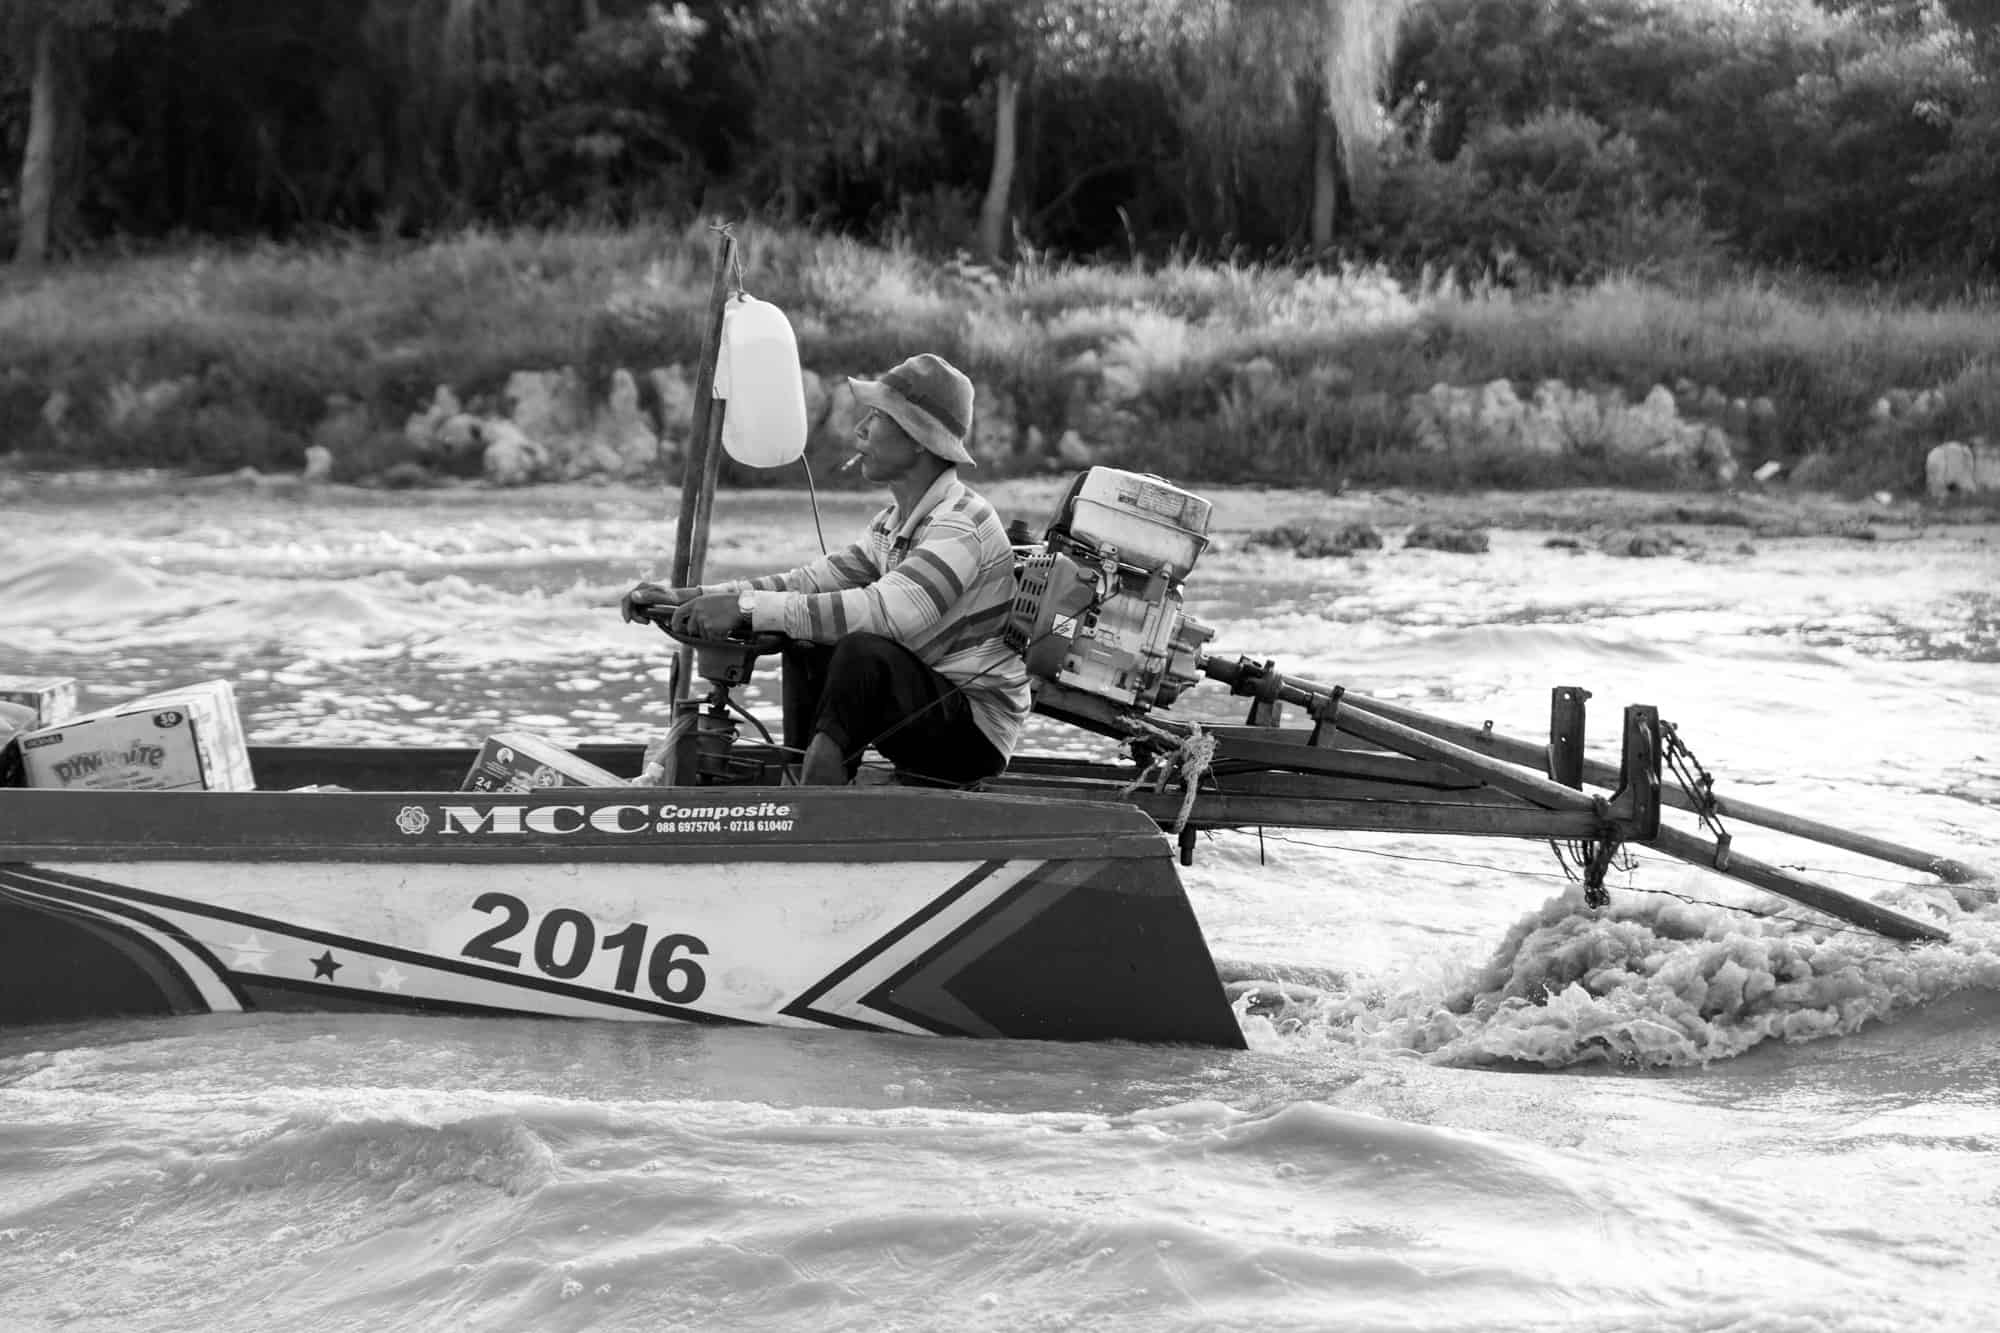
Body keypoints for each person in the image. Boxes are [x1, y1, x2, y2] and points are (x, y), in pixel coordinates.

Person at [621, 352, 1029, 787]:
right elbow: (808, 583)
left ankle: (813, 803)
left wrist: (746, 608)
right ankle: (805, 778)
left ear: (917, 438)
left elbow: (888, 615)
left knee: (861, 653)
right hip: (923, 710)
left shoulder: (961, 523)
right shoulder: (891, 525)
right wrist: (693, 597)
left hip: (973, 733)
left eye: (878, 416)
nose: (861, 429)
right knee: (808, 639)